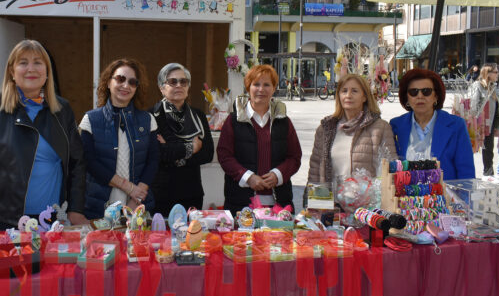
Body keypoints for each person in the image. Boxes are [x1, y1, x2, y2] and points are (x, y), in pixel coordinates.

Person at [0, 40, 87, 229]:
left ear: (47, 72)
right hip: (5, 220)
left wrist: (76, 208)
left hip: (52, 219)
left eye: (38, 62)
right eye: (23, 63)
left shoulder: (62, 109)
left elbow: (77, 163)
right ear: (11, 71)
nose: (31, 69)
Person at [217, 65, 302, 215]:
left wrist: (278, 174)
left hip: (279, 204)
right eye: (256, 84)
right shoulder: (233, 121)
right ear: (248, 87)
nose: (261, 89)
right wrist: (247, 177)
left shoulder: (284, 122)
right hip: (241, 203)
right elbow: (224, 156)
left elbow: (294, 157)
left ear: (274, 88)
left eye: (267, 85)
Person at [80, 58, 159, 219]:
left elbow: (153, 161)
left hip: (137, 208)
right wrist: (129, 188)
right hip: (98, 208)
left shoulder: (148, 120)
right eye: (120, 79)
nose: (126, 85)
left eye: (132, 82)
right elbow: (89, 162)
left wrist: (136, 198)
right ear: (108, 82)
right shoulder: (90, 120)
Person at [308, 74, 398, 197]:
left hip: (367, 206)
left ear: (364, 97)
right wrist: (313, 202)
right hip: (331, 204)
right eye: (344, 91)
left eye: (354, 91)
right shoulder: (325, 129)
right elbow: (315, 170)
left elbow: (390, 169)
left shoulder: (380, 128)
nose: (348, 95)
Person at [390, 69, 475, 180]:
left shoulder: (456, 126)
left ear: (436, 96)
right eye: (413, 92)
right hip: (405, 191)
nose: (420, 96)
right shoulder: (396, 126)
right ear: (407, 98)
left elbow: (467, 174)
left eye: (426, 91)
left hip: (446, 191)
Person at [151, 63, 213, 216]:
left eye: (183, 81)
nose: (179, 85)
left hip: (192, 192)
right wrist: (192, 148)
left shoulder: (198, 116)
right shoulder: (153, 115)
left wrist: (175, 153)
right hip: (162, 194)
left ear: (188, 86)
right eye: (172, 82)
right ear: (161, 87)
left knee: (192, 232)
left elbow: (207, 154)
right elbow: (160, 153)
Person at [469, 63, 499, 177]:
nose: (498, 74)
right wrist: (475, 122)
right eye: (495, 72)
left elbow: (497, 109)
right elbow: (473, 106)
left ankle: (488, 173)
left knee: (489, 149)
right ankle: (468, 173)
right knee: (473, 148)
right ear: (488, 73)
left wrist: (497, 125)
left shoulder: (493, 87)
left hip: (490, 124)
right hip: (479, 124)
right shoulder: (478, 85)